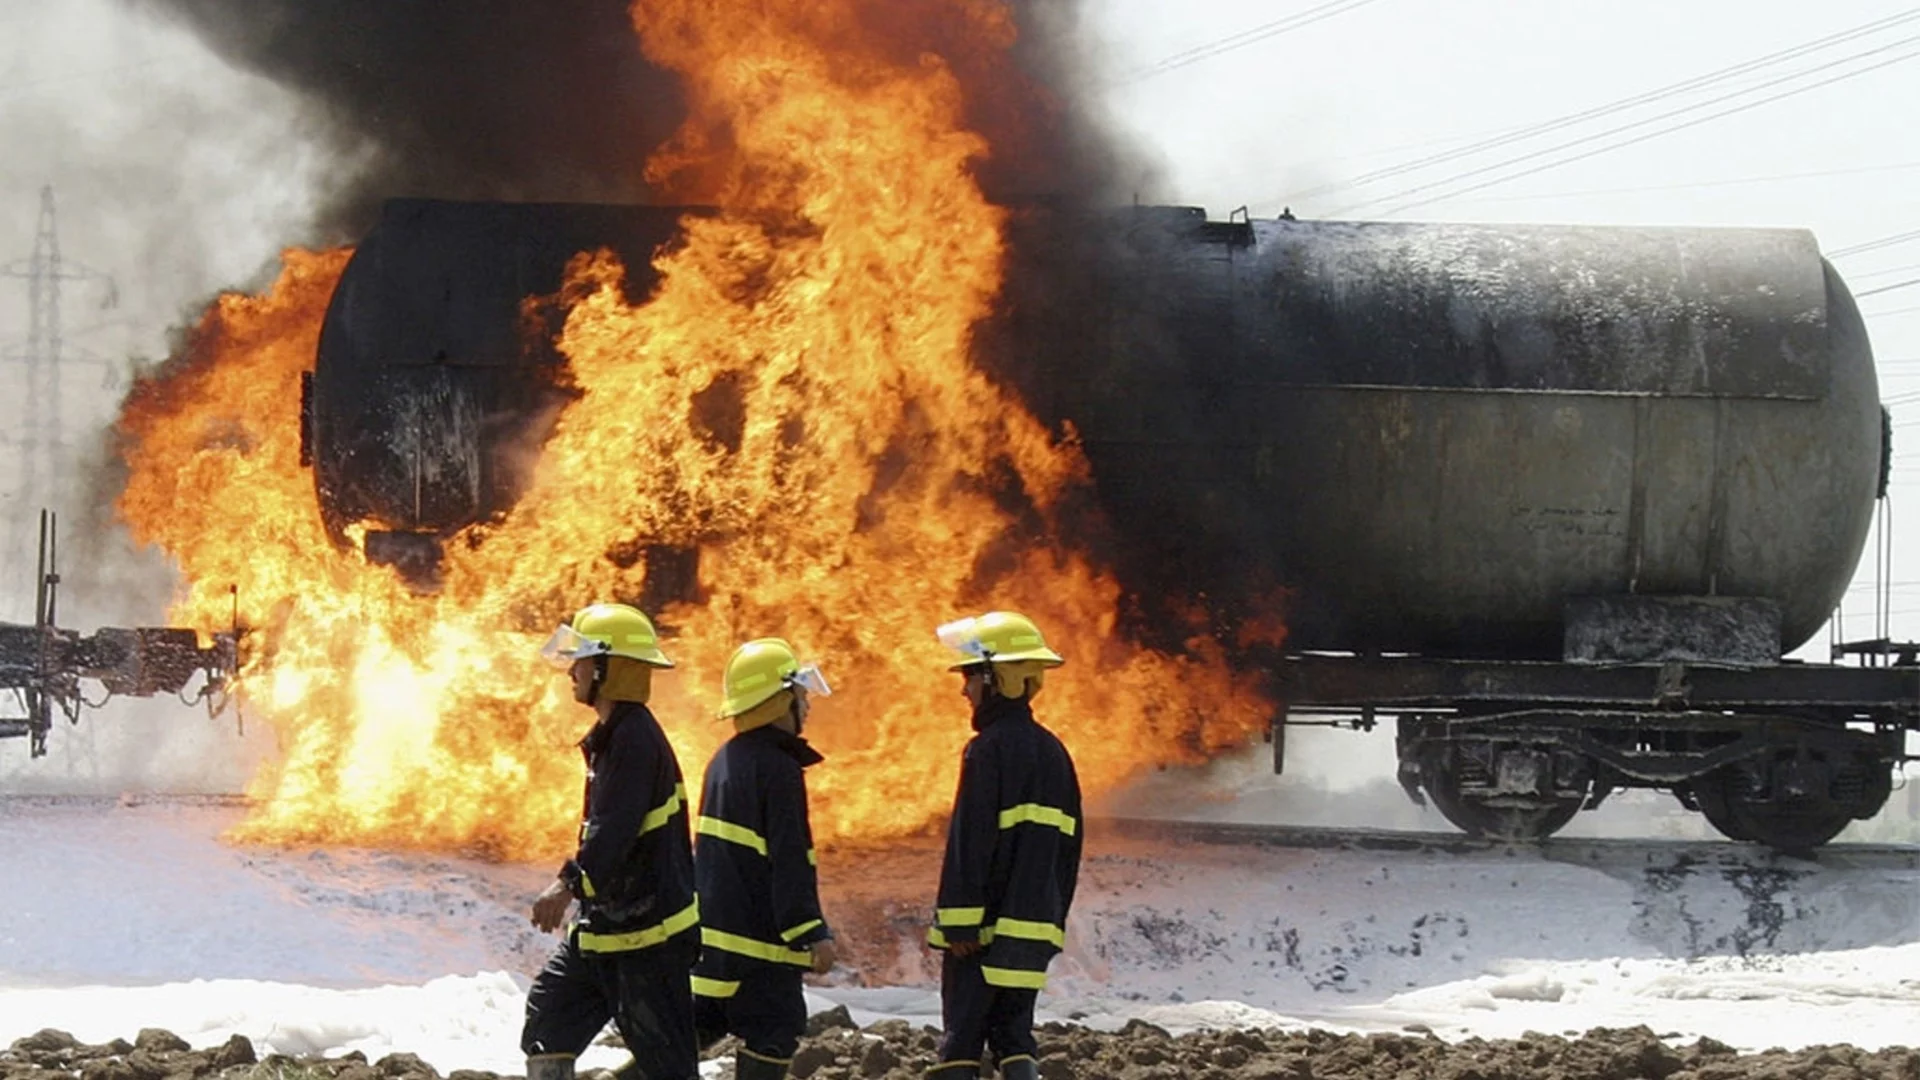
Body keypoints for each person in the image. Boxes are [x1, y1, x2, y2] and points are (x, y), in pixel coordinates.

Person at [521, 602, 699, 1080]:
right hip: (607, 932)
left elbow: (613, 830)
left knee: (670, 1067)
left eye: (579, 661)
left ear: (606, 667)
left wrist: (565, 887)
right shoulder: (614, 734)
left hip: (647, 939)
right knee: (548, 1021)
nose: (570, 673)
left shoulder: (634, 738)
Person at [925, 612, 1084, 1080]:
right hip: (1030, 932)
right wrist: (1049, 919)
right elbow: (1068, 853)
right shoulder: (1056, 753)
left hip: (981, 935)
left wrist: (959, 921)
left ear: (999, 678)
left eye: (972, 675)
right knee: (1015, 1035)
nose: (964, 689)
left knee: (962, 1040)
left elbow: (969, 844)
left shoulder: (987, 749)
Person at [691, 638, 837, 1080]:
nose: (807, 704)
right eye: (799, 694)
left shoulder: (725, 759)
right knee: (776, 1030)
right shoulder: (778, 767)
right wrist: (811, 930)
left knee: (695, 1031)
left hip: (716, 940)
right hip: (761, 946)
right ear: (777, 701)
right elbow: (790, 857)